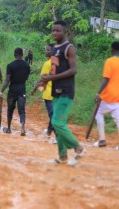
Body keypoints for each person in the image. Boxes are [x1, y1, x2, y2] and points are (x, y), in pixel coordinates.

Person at [39, 20, 85, 165]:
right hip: (55, 91)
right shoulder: (54, 49)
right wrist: (45, 81)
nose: (54, 33)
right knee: (58, 124)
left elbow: (73, 70)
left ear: (65, 31)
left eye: (57, 30)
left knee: (57, 122)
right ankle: (63, 156)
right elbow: (53, 70)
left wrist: (52, 77)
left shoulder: (69, 48)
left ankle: (78, 148)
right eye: (53, 30)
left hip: (66, 90)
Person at [94, 41, 119, 151]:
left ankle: (102, 140)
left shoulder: (109, 61)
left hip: (107, 95)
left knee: (99, 114)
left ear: (112, 49)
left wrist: (98, 93)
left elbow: (106, 79)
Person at [0, 48, 30, 135]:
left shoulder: (10, 65)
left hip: (12, 91)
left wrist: (1, 91)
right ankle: (22, 128)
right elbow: (26, 78)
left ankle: (9, 128)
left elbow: (7, 80)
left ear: (14, 54)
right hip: (22, 90)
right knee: (22, 110)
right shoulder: (27, 65)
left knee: (10, 109)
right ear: (22, 54)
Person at [31, 44, 55, 138]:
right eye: (46, 49)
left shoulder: (47, 63)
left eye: (48, 50)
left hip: (48, 93)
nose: (46, 51)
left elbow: (43, 79)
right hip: (58, 93)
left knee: (52, 114)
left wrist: (34, 88)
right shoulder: (59, 62)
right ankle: (49, 130)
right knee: (53, 113)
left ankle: (55, 134)